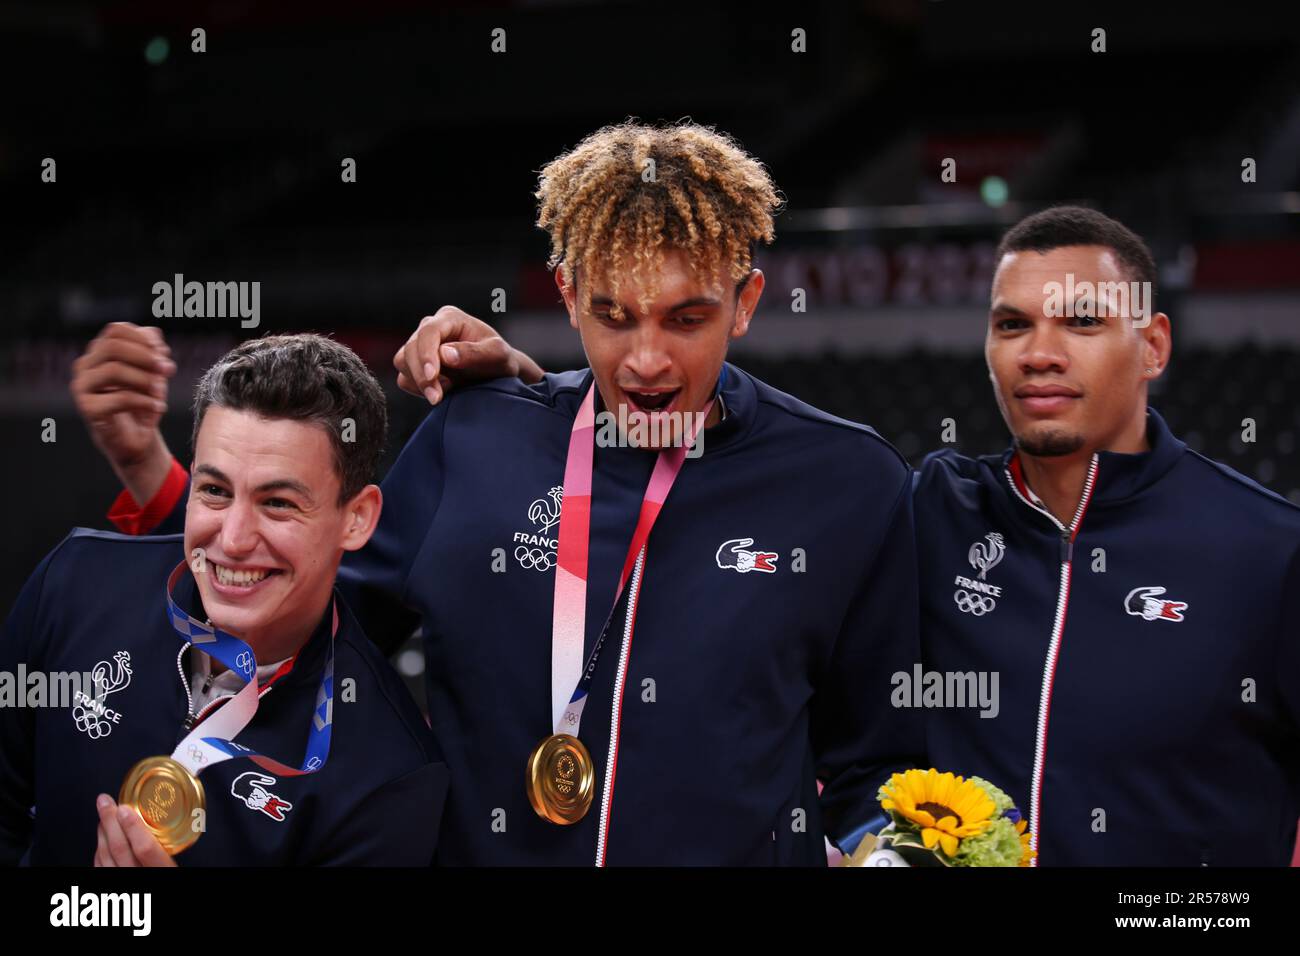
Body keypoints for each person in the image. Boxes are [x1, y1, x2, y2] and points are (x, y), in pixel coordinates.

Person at [72, 121, 925, 865]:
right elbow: (306, 627)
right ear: (564, 295)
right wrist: (161, 479)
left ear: (746, 304)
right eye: (613, 315)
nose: (648, 363)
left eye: (686, 318)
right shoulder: (474, 441)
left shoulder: (848, 483)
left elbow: (879, 759)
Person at [1, 334, 448, 865]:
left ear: (358, 518)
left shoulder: (389, 778)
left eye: (277, 503)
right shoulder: (71, 586)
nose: (232, 540)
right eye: (214, 490)